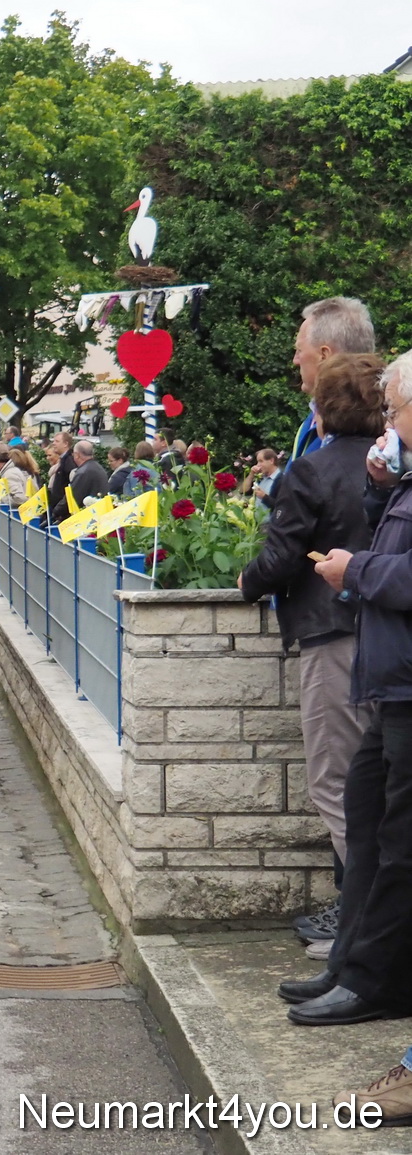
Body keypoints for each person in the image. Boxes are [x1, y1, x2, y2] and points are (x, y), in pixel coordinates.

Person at [241, 354, 383, 962]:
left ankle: (371, 929)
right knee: (381, 783)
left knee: (339, 782)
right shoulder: (390, 467)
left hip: (333, 636)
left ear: (321, 409)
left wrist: (247, 582)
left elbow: (279, 558)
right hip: (387, 633)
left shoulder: (311, 471)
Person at [287, 350, 412, 1030]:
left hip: (405, 679)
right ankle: (350, 962)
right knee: (366, 822)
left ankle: (371, 979)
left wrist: (356, 571)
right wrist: (376, 485)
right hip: (390, 678)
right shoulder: (403, 471)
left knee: (395, 842)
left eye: (395, 408)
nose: (387, 420)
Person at [291, 297, 376, 460]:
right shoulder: (313, 419)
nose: (295, 360)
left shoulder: (367, 432)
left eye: (299, 350)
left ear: (324, 355)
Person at [44, 432, 76, 522]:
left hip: (63, 513)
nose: (53, 443)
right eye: (53, 441)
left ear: (65, 444)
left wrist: (59, 509)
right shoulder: (63, 460)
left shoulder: (69, 462)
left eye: (57, 441)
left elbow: (70, 486)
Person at [68, 440, 109, 510]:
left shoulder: (83, 472)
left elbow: (74, 497)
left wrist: (56, 512)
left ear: (77, 455)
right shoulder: (99, 468)